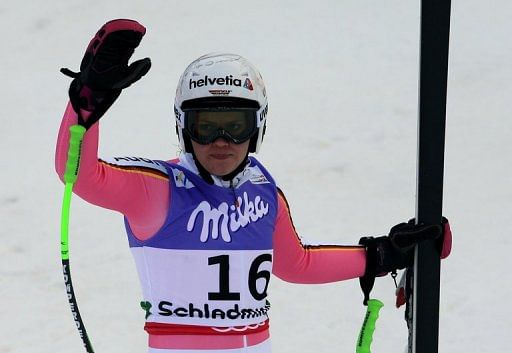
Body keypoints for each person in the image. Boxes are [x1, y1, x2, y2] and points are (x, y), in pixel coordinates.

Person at [55, 19, 452, 353]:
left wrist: (380, 255)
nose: (222, 141)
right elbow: (81, 176)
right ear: (183, 128)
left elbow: (296, 263)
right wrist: (87, 104)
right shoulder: (158, 190)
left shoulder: (263, 192)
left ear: (258, 125)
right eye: (205, 127)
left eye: (237, 125)